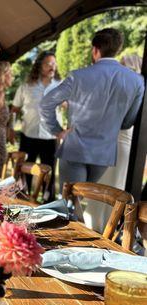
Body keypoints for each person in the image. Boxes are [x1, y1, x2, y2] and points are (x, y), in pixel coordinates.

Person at [40, 28, 145, 192]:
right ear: (118, 49)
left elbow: (46, 103)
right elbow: (128, 122)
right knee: (80, 201)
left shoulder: (78, 76)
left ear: (95, 50)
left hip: (75, 149)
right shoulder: (137, 81)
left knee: (70, 203)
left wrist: (57, 131)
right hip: (104, 154)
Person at [84, 54, 143, 233]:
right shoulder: (138, 86)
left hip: (110, 145)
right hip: (123, 145)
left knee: (104, 190)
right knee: (113, 191)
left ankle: (97, 228)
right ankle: (107, 230)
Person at [12, 51, 61, 200]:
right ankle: (21, 202)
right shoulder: (26, 87)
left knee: (49, 176)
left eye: (53, 63)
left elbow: (70, 107)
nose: (51, 67)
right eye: (48, 64)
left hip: (50, 138)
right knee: (24, 173)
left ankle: (48, 205)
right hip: (28, 136)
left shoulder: (61, 86)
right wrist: (11, 128)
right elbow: (14, 109)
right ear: (39, 66)